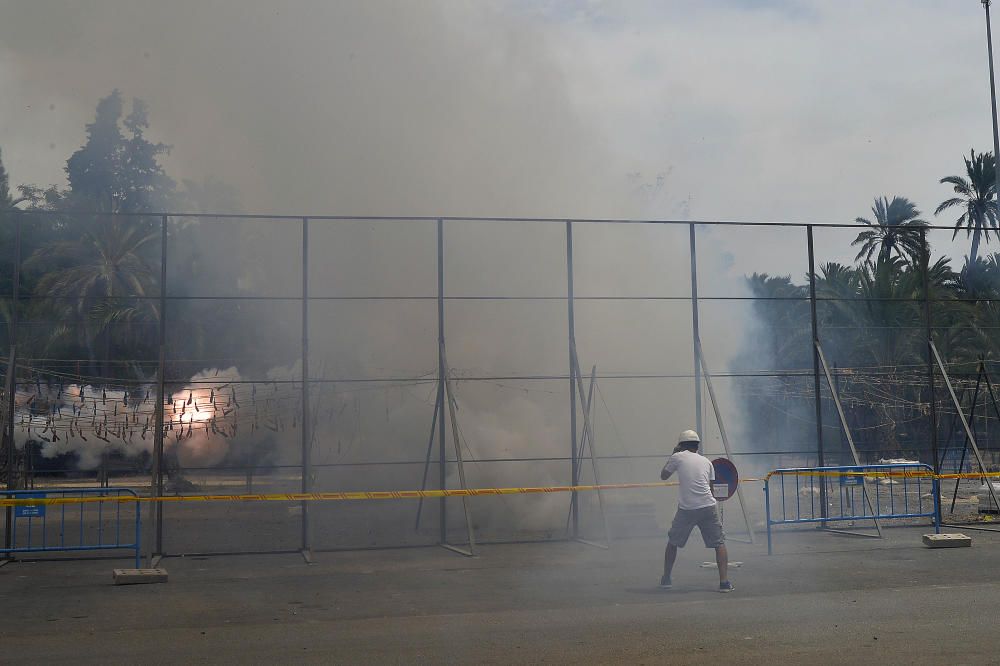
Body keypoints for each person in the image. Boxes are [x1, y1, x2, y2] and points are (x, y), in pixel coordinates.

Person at [659, 429, 734, 593]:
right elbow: (711, 487)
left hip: (687, 509)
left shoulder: (677, 457)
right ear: (697, 446)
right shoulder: (706, 462)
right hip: (708, 506)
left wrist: (673, 454)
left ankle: (666, 578)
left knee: (673, 542)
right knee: (719, 543)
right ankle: (724, 582)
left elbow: (663, 475)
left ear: (681, 446)